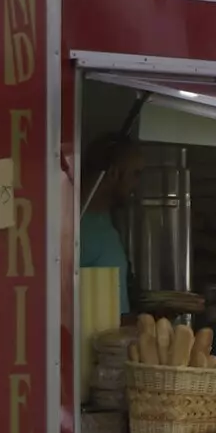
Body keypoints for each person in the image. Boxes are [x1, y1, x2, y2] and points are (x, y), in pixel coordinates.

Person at [79, 135, 140, 315]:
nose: (137, 184)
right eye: (135, 174)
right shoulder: (78, 229)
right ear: (113, 173)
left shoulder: (105, 219)